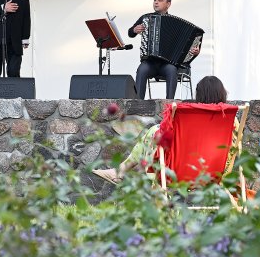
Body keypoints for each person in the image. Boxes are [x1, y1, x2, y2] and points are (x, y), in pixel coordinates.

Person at [93, 75, 233, 183]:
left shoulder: (188, 117)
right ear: (222, 94)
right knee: (155, 132)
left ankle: (121, 171)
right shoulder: (229, 120)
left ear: (199, 95)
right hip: (216, 172)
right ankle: (122, 171)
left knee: (155, 131)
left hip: (182, 170)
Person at [127, 0, 200, 100]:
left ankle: (169, 104)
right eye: (155, 0)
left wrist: (194, 52)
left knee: (172, 70)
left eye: (160, 0)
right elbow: (130, 33)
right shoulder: (146, 18)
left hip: (167, 64)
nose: (156, 2)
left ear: (168, 4)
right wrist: (134, 29)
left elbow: (187, 47)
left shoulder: (176, 23)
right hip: (150, 63)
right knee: (142, 69)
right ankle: (138, 103)